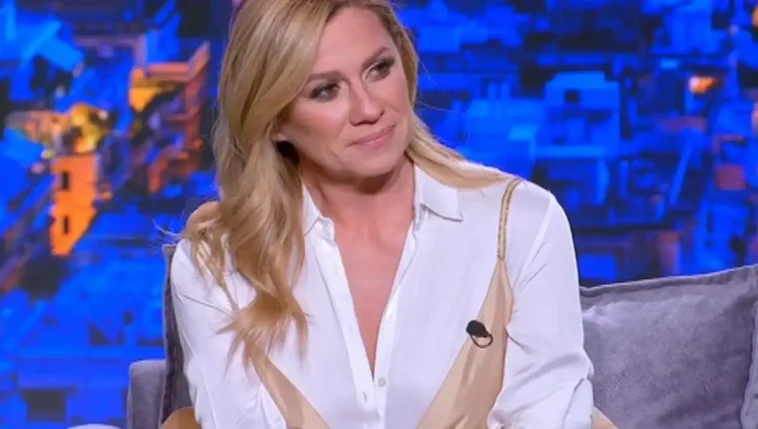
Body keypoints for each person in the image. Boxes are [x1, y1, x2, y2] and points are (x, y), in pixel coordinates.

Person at [169, 0, 594, 427]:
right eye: (325, 90)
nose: (369, 109)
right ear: (274, 120)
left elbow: (548, 415)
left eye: (379, 69)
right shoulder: (217, 268)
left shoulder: (519, 224)